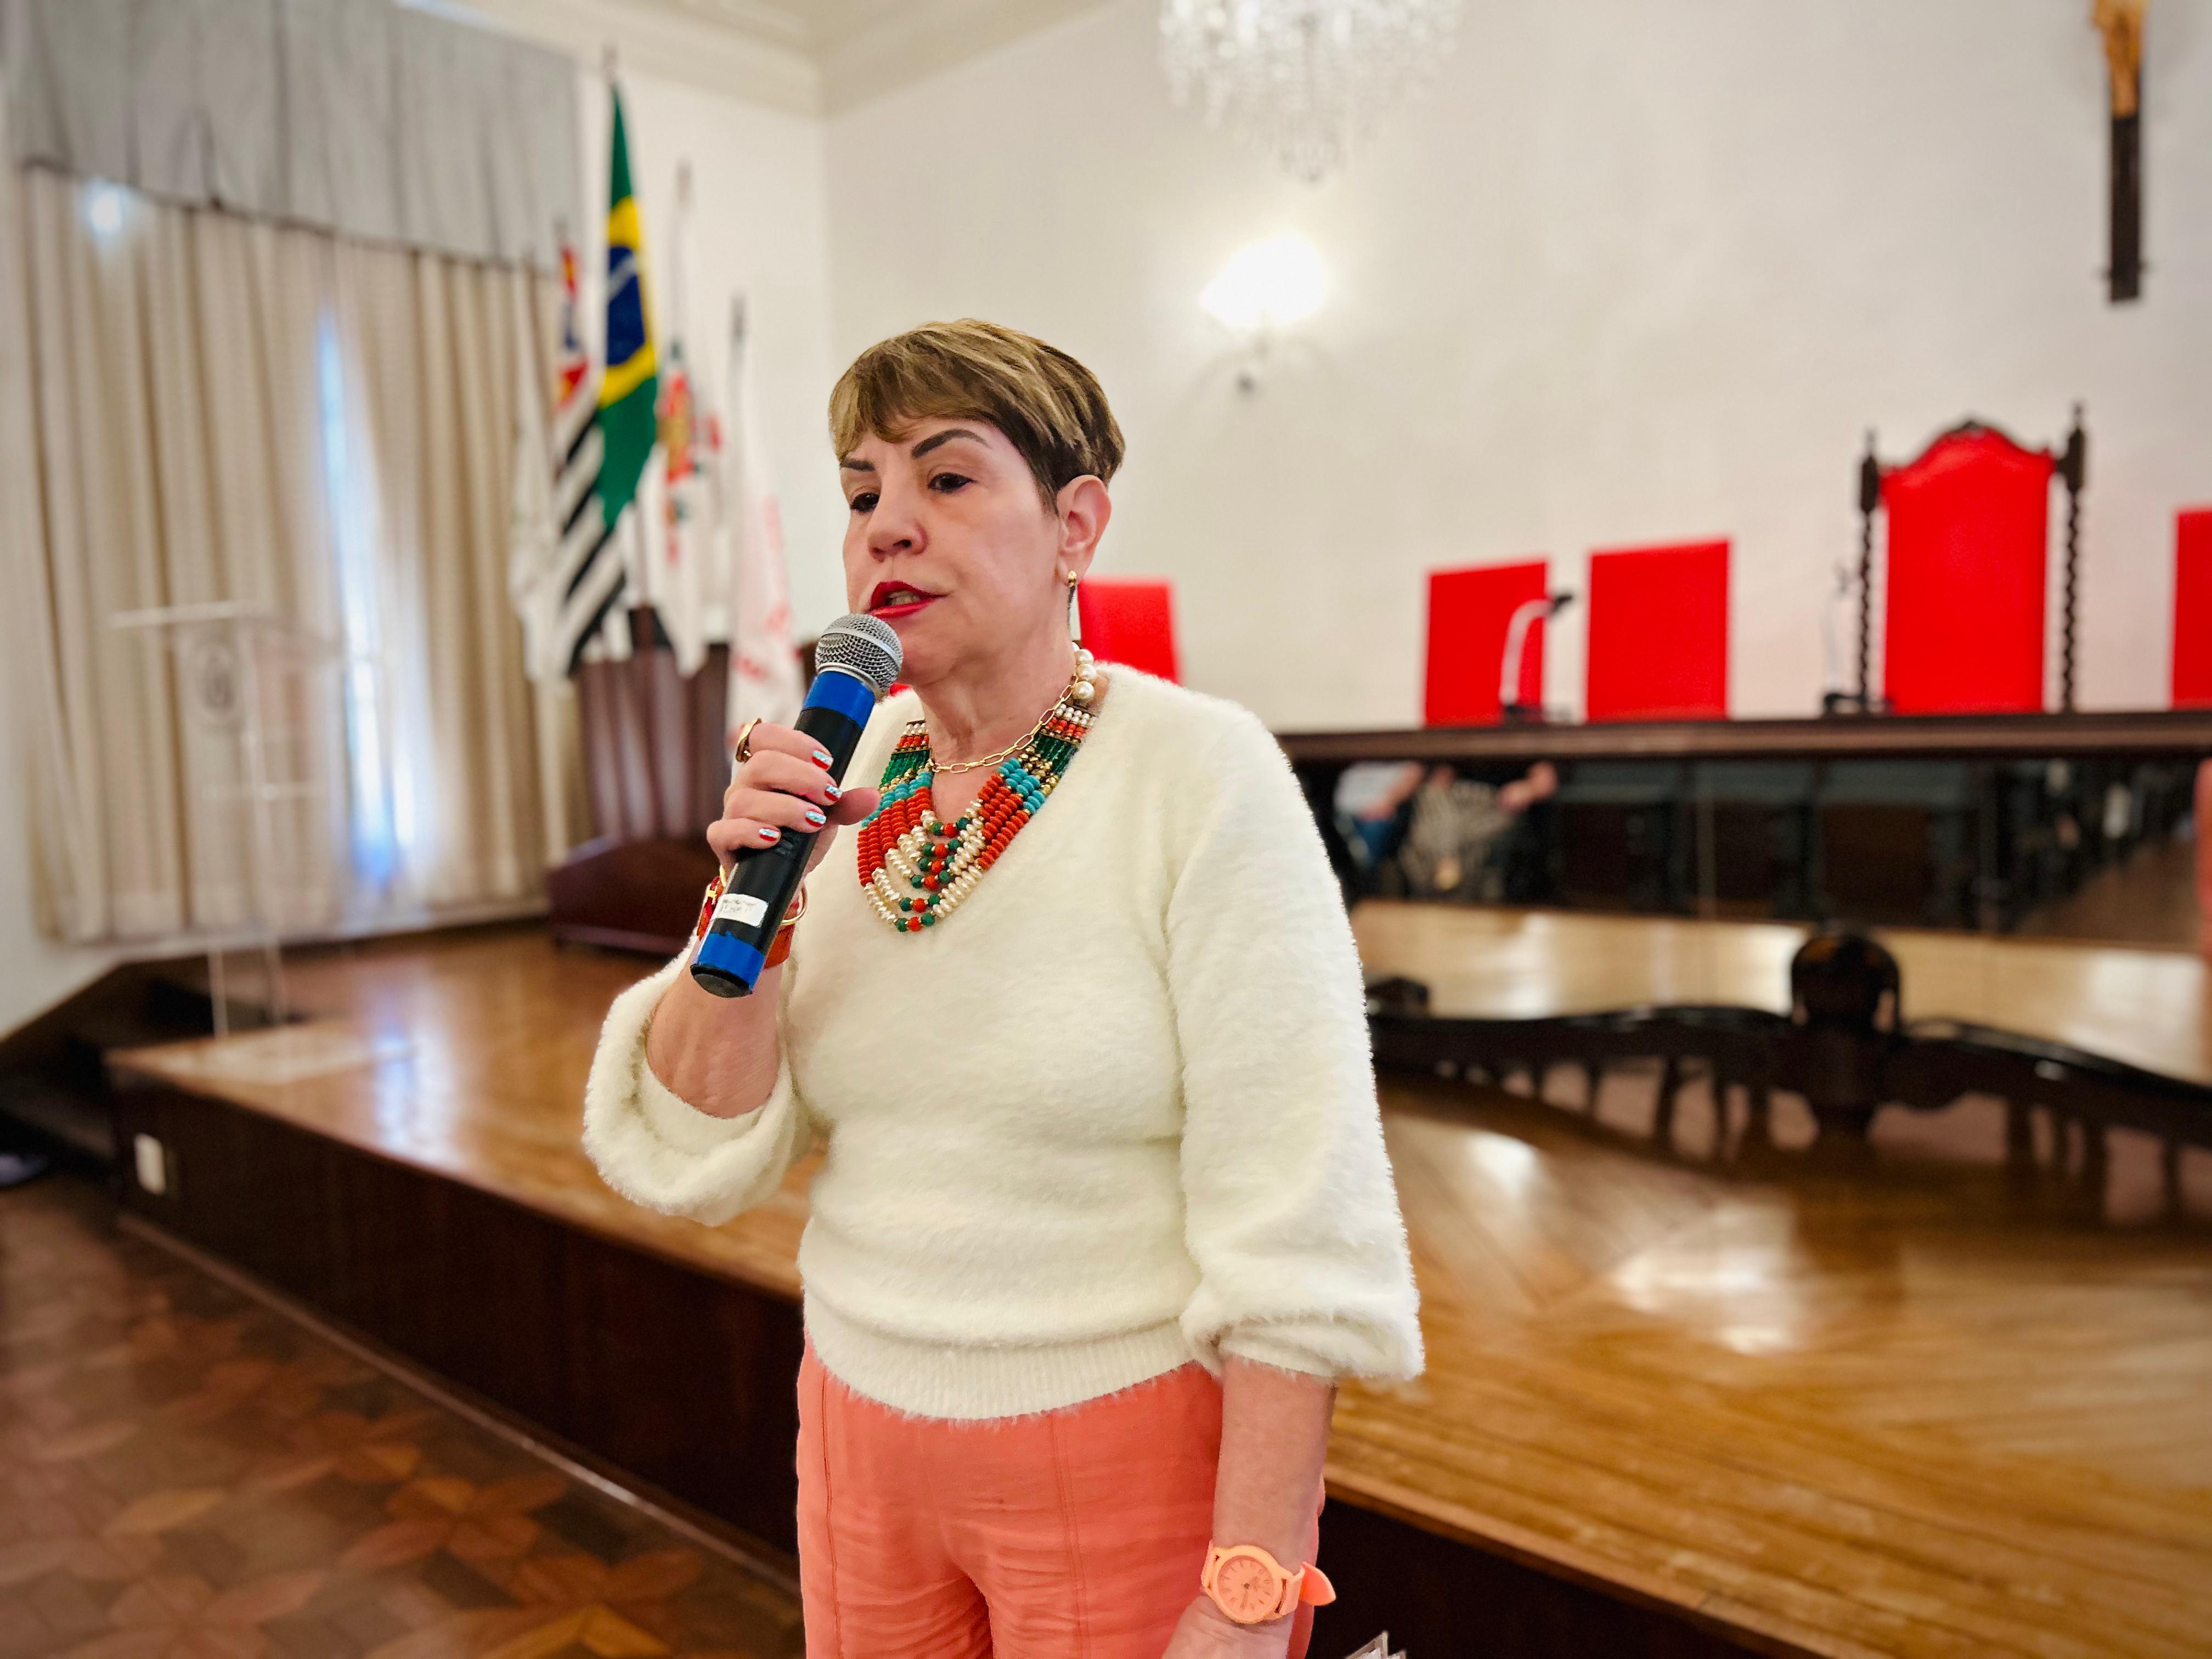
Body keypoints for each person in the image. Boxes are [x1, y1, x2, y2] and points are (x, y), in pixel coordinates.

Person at [584, 320, 1422, 1659]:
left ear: (1074, 525)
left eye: (947, 478)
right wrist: (758, 895)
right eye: (861, 491)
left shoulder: (1201, 778)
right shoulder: (837, 776)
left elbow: (1300, 1210)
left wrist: (1252, 1590)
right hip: (856, 1429)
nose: (887, 526)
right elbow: (696, 1140)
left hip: (1116, 1446)